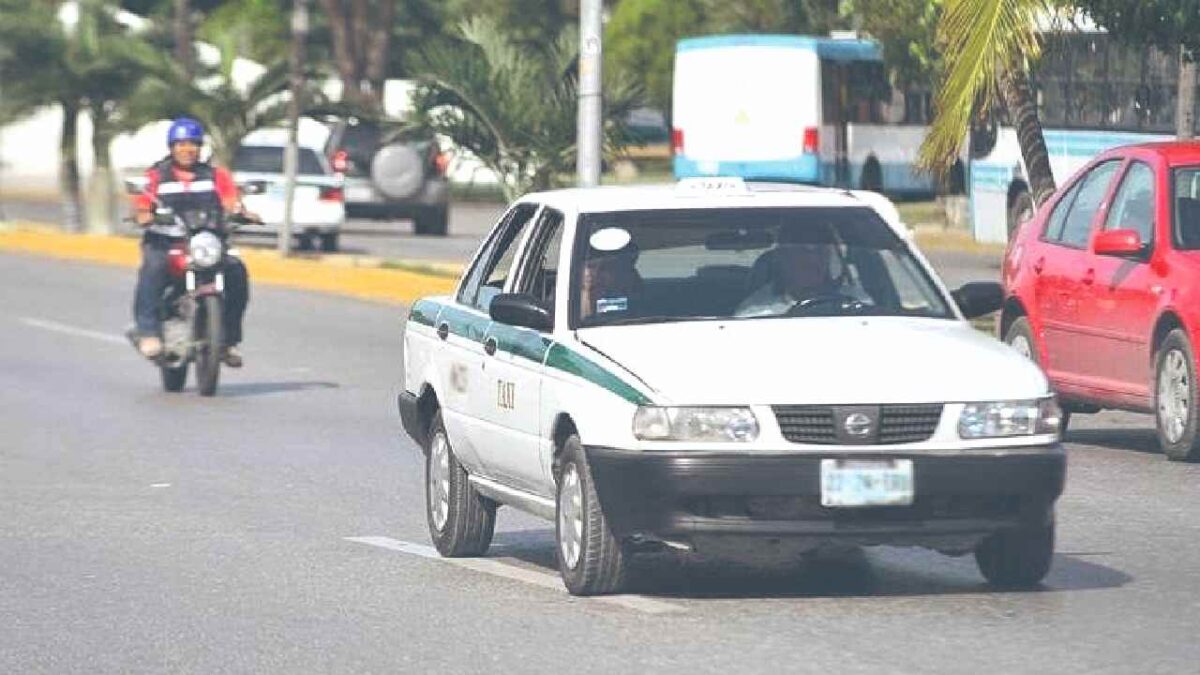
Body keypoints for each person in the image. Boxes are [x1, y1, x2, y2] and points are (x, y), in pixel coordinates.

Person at [130, 117, 253, 367]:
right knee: (153, 268)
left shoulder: (216, 175)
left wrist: (241, 212)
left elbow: (230, 200)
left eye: (193, 144)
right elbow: (143, 205)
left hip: (205, 242)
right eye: (181, 144)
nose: (187, 150)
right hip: (166, 242)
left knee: (237, 274)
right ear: (172, 147)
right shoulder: (156, 176)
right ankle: (148, 331)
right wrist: (145, 215)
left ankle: (229, 340)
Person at [735, 236, 842, 318]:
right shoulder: (757, 314)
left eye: (820, 252)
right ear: (784, 260)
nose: (813, 260)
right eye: (802, 253)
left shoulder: (854, 301)